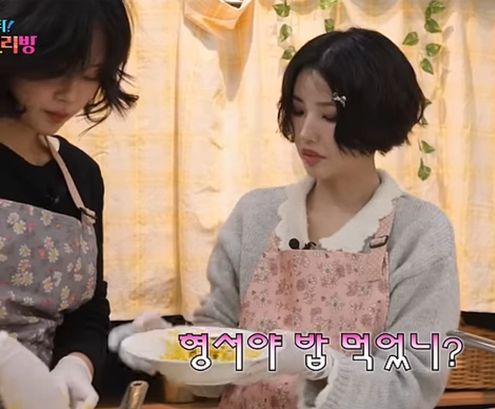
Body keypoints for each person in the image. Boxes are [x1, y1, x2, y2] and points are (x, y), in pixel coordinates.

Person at [109, 27, 459, 409]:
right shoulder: (256, 215)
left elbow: (413, 384)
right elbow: (219, 362)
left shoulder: (419, 232)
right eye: (298, 110)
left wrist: (321, 365)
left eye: (329, 115)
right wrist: (175, 347)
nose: (305, 132)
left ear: (377, 116)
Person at [0, 0, 137, 407]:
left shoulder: (80, 175)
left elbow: (88, 308)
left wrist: (76, 365)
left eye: (91, 74)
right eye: (54, 67)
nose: (70, 94)